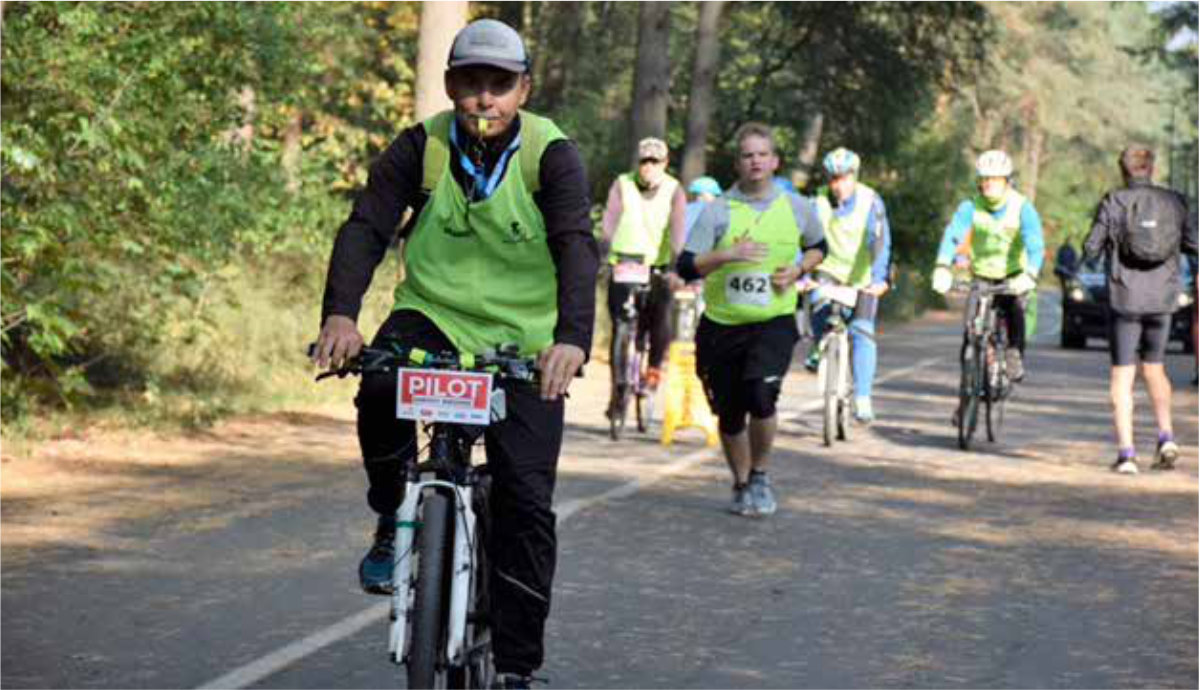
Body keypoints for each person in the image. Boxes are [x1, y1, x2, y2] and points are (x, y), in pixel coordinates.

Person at [310, 19, 597, 687]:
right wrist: (341, 316)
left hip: (524, 340)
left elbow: (576, 247)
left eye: (500, 85)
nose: (484, 99)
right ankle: (390, 513)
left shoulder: (551, 155)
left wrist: (572, 341)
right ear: (450, 85)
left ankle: (520, 671)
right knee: (379, 385)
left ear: (523, 88)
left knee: (526, 504)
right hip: (432, 317)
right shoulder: (422, 147)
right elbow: (367, 226)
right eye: (471, 83)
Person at [677, 122, 825, 517]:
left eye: (762, 154)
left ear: (774, 161)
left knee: (761, 396)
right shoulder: (718, 210)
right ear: (738, 163)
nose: (755, 161)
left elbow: (818, 247)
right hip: (722, 326)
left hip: (773, 320)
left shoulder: (797, 207)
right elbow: (687, 265)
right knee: (729, 412)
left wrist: (798, 271)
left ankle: (760, 474)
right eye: (747, 155)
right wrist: (727, 255)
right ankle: (741, 483)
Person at [1083, 145, 1197, 474]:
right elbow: (1194, 245)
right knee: (1155, 368)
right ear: (1151, 168)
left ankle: (1127, 454)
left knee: (1122, 374)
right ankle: (1166, 436)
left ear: (1123, 169)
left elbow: (1090, 248)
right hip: (1162, 300)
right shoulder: (1175, 202)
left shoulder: (1114, 201)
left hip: (1125, 300)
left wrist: (1099, 247)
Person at [932, 149, 1044, 386]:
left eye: (995, 179)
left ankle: (1014, 352)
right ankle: (967, 399)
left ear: (1007, 181)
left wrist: (1030, 273)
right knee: (969, 335)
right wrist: (942, 265)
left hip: (1012, 274)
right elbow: (953, 234)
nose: (988, 184)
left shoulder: (1022, 207)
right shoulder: (971, 206)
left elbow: (1035, 244)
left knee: (1015, 309)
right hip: (981, 274)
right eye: (984, 179)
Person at [803, 147, 892, 423]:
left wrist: (878, 279)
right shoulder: (817, 200)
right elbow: (803, 238)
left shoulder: (870, 201)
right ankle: (819, 345)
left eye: (844, 178)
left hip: (861, 277)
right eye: (833, 178)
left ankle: (863, 397)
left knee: (862, 332)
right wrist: (800, 272)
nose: (838, 185)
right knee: (818, 305)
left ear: (854, 177)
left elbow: (879, 242)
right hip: (828, 270)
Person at [599, 137, 688, 409]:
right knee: (620, 326)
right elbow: (610, 220)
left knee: (659, 319)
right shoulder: (622, 184)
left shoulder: (674, 189)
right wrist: (602, 254)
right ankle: (617, 392)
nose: (648, 167)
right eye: (644, 161)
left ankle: (653, 372)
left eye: (655, 161)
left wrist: (675, 266)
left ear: (665, 164)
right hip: (623, 263)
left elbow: (677, 230)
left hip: (657, 267)